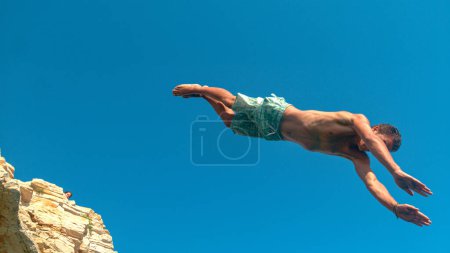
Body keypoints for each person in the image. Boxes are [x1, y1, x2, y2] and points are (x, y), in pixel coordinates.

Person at [172, 84, 433, 226]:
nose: (372, 148)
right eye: (382, 143)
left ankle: (201, 98)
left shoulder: (356, 156)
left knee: (230, 123)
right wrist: (396, 171)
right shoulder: (358, 121)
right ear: (377, 130)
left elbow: (372, 183)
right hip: (278, 112)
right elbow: (370, 139)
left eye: (382, 149)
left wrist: (395, 208)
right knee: (230, 102)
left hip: (274, 133)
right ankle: (203, 87)